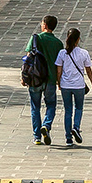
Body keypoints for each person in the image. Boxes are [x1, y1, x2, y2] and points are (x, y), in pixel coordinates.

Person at [23, 15, 63, 145]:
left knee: (35, 106)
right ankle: (46, 125)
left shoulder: (36, 39)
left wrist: (24, 77)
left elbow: (28, 58)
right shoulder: (58, 43)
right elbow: (59, 65)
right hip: (50, 79)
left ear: (45, 25)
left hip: (35, 78)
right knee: (51, 104)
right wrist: (59, 80)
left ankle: (37, 137)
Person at [55, 26, 92, 146]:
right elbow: (88, 70)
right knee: (78, 108)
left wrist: (59, 83)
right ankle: (76, 128)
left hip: (65, 85)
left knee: (68, 110)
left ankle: (68, 138)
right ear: (78, 39)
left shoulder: (62, 53)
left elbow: (59, 71)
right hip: (78, 85)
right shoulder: (84, 53)